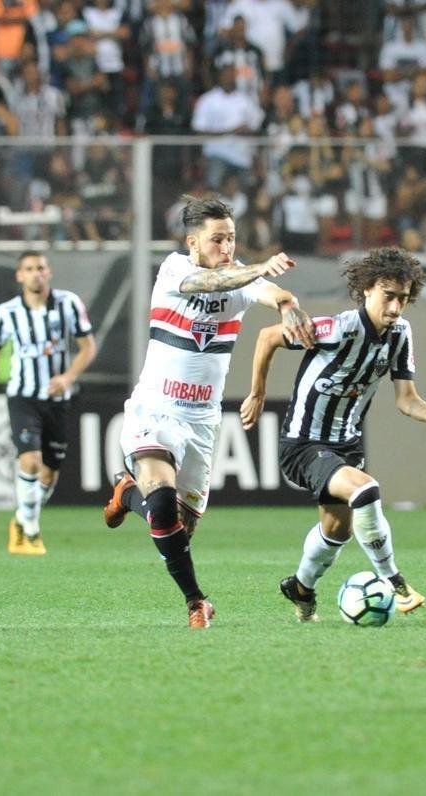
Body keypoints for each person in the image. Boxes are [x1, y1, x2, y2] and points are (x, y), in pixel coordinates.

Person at [101, 196, 316, 629]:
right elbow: (208, 285)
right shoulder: (175, 269)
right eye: (217, 239)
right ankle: (197, 602)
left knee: (178, 527)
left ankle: (126, 494)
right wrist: (257, 269)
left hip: (201, 421)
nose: (227, 246)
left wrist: (287, 302)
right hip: (155, 410)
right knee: (161, 504)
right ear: (192, 242)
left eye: (232, 238)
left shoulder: (241, 277)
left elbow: (270, 291)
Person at [239, 247, 426, 622]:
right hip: (303, 443)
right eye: (388, 296)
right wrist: (257, 393)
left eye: (403, 298)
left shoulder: (399, 335)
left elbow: (406, 400)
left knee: (336, 531)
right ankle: (394, 582)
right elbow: (268, 336)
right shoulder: (339, 328)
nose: (396, 307)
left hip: (345, 444)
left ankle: (300, 587)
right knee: (366, 490)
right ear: (367, 290)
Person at [0, 251, 98, 556]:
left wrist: (68, 377)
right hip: (23, 395)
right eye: (29, 269)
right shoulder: (8, 312)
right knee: (29, 460)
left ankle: (22, 518)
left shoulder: (68, 303)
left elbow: (87, 347)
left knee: (49, 472)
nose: (36, 274)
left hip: (57, 399)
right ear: (20, 275)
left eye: (41, 268)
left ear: (50, 272)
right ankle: (30, 530)